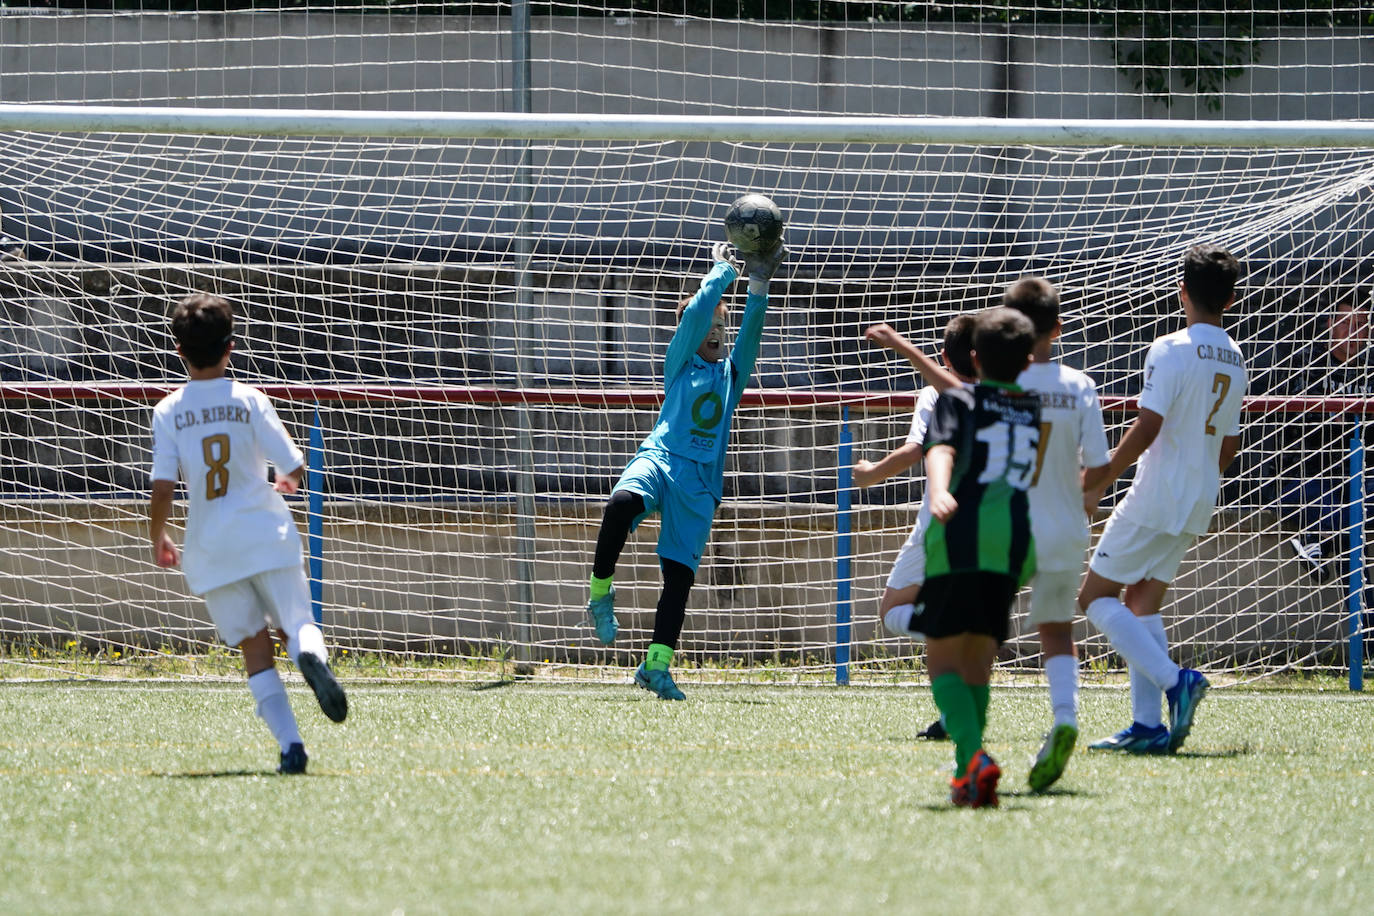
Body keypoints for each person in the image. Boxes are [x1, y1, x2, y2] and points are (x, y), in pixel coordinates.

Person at [148, 293, 347, 774]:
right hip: (266, 530)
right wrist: (288, 480)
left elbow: (162, 485)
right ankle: (307, 654)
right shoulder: (249, 399)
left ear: (179, 352)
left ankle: (290, 745)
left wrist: (159, 535)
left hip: (212, 547)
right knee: (296, 622)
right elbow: (294, 463)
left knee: (255, 648)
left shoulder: (168, 411)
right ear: (230, 347)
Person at [584, 237, 787, 699]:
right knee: (620, 504)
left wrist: (758, 282)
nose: (716, 328)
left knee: (678, 578)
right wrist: (722, 273)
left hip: (698, 484)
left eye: (722, 323)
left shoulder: (730, 376)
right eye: (709, 322)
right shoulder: (679, 364)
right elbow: (696, 312)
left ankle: (656, 666)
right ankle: (600, 592)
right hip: (661, 458)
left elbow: (751, 332)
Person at [1078, 244, 1247, 755]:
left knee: (1094, 598)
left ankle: (1178, 683)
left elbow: (1148, 424)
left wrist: (1103, 474)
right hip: (1199, 497)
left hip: (1156, 495)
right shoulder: (1236, 355)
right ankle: (1148, 726)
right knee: (1142, 601)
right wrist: (1200, 483)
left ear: (1183, 293)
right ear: (1230, 299)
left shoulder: (1170, 348)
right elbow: (1230, 443)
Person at [920, 306, 1040, 808]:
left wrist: (940, 491)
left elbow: (940, 449)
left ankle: (973, 756)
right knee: (978, 665)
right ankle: (966, 772)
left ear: (973, 357)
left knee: (942, 660)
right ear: (1027, 361)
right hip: (1013, 545)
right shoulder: (1033, 408)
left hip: (961, 538)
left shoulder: (959, 400)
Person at [999, 277, 1111, 792]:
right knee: (1057, 630)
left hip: (1012, 527)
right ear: (1058, 327)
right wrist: (1085, 496)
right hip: (1068, 528)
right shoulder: (1081, 385)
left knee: (977, 628)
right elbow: (1101, 468)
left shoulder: (1003, 385)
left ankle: (968, 741)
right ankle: (1065, 718)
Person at [854, 315, 976, 741]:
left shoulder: (935, 394)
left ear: (944, 356)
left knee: (892, 611)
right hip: (992, 524)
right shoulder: (1003, 394)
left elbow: (916, 449)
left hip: (940, 523)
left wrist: (872, 472)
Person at [1282, 292, 1372, 579]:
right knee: (1347, 528)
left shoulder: (1370, 369)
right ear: (1329, 324)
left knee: (1353, 530)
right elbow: (1303, 429)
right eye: (1345, 322)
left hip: (1359, 477)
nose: (1353, 331)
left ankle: (1318, 543)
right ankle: (1319, 541)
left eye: (1361, 323)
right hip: (1312, 477)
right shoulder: (1307, 364)